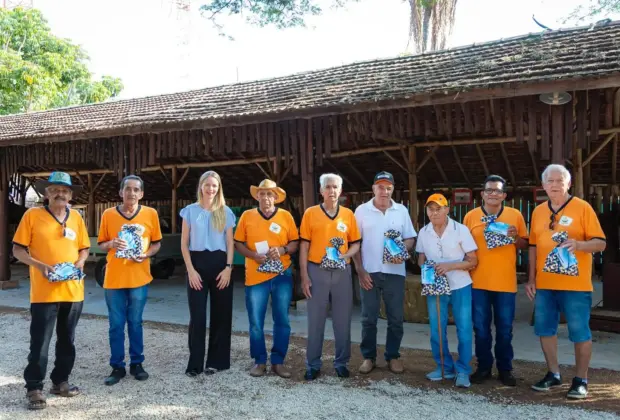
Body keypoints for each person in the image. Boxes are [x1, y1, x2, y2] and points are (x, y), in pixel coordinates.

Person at [526, 164, 606, 399]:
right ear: (543, 185)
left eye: (559, 181)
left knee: (580, 332)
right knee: (545, 330)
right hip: (545, 285)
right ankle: (553, 374)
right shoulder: (538, 211)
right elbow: (532, 246)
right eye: (550, 181)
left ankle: (581, 380)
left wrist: (580, 245)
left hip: (576, 287)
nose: (554, 185)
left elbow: (601, 243)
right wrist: (531, 279)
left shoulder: (583, 208)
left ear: (568, 184)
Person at [12, 172, 90, 410]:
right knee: (41, 341)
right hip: (45, 292)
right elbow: (18, 250)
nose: (60, 194)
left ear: (70, 196)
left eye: (65, 191)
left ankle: (60, 382)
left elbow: (84, 248)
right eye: (55, 189)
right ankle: (34, 387)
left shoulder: (76, 217)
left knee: (68, 340)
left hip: (73, 291)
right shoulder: (32, 215)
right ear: (46, 193)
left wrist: (80, 263)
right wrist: (40, 266)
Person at [97, 175, 163, 386]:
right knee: (116, 325)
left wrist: (147, 254)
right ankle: (117, 366)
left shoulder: (150, 214)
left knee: (135, 322)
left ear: (141, 194)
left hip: (138, 277)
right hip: (114, 279)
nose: (131, 193)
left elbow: (156, 243)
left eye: (136, 190)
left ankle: (137, 363)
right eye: (128, 189)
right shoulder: (108, 214)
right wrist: (112, 244)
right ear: (121, 192)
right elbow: (101, 244)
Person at [463, 175, 528, 386]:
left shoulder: (514, 215)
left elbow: (524, 245)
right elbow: (463, 247)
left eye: (497, 191)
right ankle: (483, 367)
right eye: (489, 190)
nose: (493, 194)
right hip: (477, 282)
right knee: (481, 329)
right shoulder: (471, 217)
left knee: (504, 329)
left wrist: (515, 237)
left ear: (504, 195)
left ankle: (505, 369)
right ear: (482, 194)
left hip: (505, 282)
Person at [353, 171, 417, 375]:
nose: (384, 191)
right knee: (368, 318)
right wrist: (360, 270)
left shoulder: (401, 211)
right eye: (380, 187)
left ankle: (393, 356)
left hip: (395, 272)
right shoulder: (361, 211)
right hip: (369, 272)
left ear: (392, 189)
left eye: (388, 187)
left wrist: (403, 250)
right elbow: (355, 242)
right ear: (373, 189)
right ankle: (368, 357)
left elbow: (410, 239)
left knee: (396, 318)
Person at [234, 179, 299, 378]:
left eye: (269, 194)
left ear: (276, 197)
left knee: (282, 320)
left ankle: (278, 362)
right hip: (255, 276)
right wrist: (253, 255)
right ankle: (259, 361)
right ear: (257, 196)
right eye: (262, 194)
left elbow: (295, 242)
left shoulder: (286, 216)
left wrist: (283, 249)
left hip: (282, 274)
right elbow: (238, 242)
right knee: (256, 321)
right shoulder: (247, 216)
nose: (266, 197)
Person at [299, 173, 361, 380]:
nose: (332, 191)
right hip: (317, 270)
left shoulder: (348, 215)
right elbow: (304, 246)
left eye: (335, 187)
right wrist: (304, 276)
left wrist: (345, 255)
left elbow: (356, 243)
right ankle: (313, 364)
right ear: (321, 190)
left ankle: (341, 362)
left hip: (342, 271)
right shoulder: (310, 213)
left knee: (343, 320)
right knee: (315, 320)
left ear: (340, 191)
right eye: (328, 187)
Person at [415, 193, 478, 388]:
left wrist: (449, 266)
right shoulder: (424, 232)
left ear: (447, 210)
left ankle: (463, 370)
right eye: (430, 209)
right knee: (436, 329)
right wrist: (426, 269)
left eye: (438, 209)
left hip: (460, 285)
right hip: (436, 287)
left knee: (464, 329)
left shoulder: (461, 230)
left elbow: (473, 261)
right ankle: (444, 367)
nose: (434, 213)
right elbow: (421, 259)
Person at [180, 170, 236, 377]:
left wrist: (228, 268)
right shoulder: (189, 211)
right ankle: (195, 363)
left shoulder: (226, 212)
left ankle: (217, 361)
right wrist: (190, 270)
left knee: (221, 315)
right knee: (198, 316)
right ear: (201, 187)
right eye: (208, 185)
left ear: (218, 188)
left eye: (215, 185)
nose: (211, 189)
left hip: (221, 265)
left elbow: (230, 242)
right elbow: (184, 244)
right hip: (197, 265)